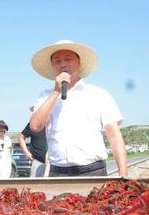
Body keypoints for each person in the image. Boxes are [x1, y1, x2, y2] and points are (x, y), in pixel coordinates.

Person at [29, 39, 129, 177]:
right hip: (58, 172)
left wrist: (123, 175)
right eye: (57, 60)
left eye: (68, 59)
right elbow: (35, 126)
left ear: (79, 62)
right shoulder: (45, 96)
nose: (63, 64)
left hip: (93, 171)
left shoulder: (98, 94)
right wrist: (56, 92)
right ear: (52, 66)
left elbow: (114, 136)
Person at [20, 106, 50, 177]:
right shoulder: (31, 125)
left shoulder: (53, 123)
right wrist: (26, 152)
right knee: (35, 186)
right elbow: (21, 137)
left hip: (54, 163)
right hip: (38, 162)